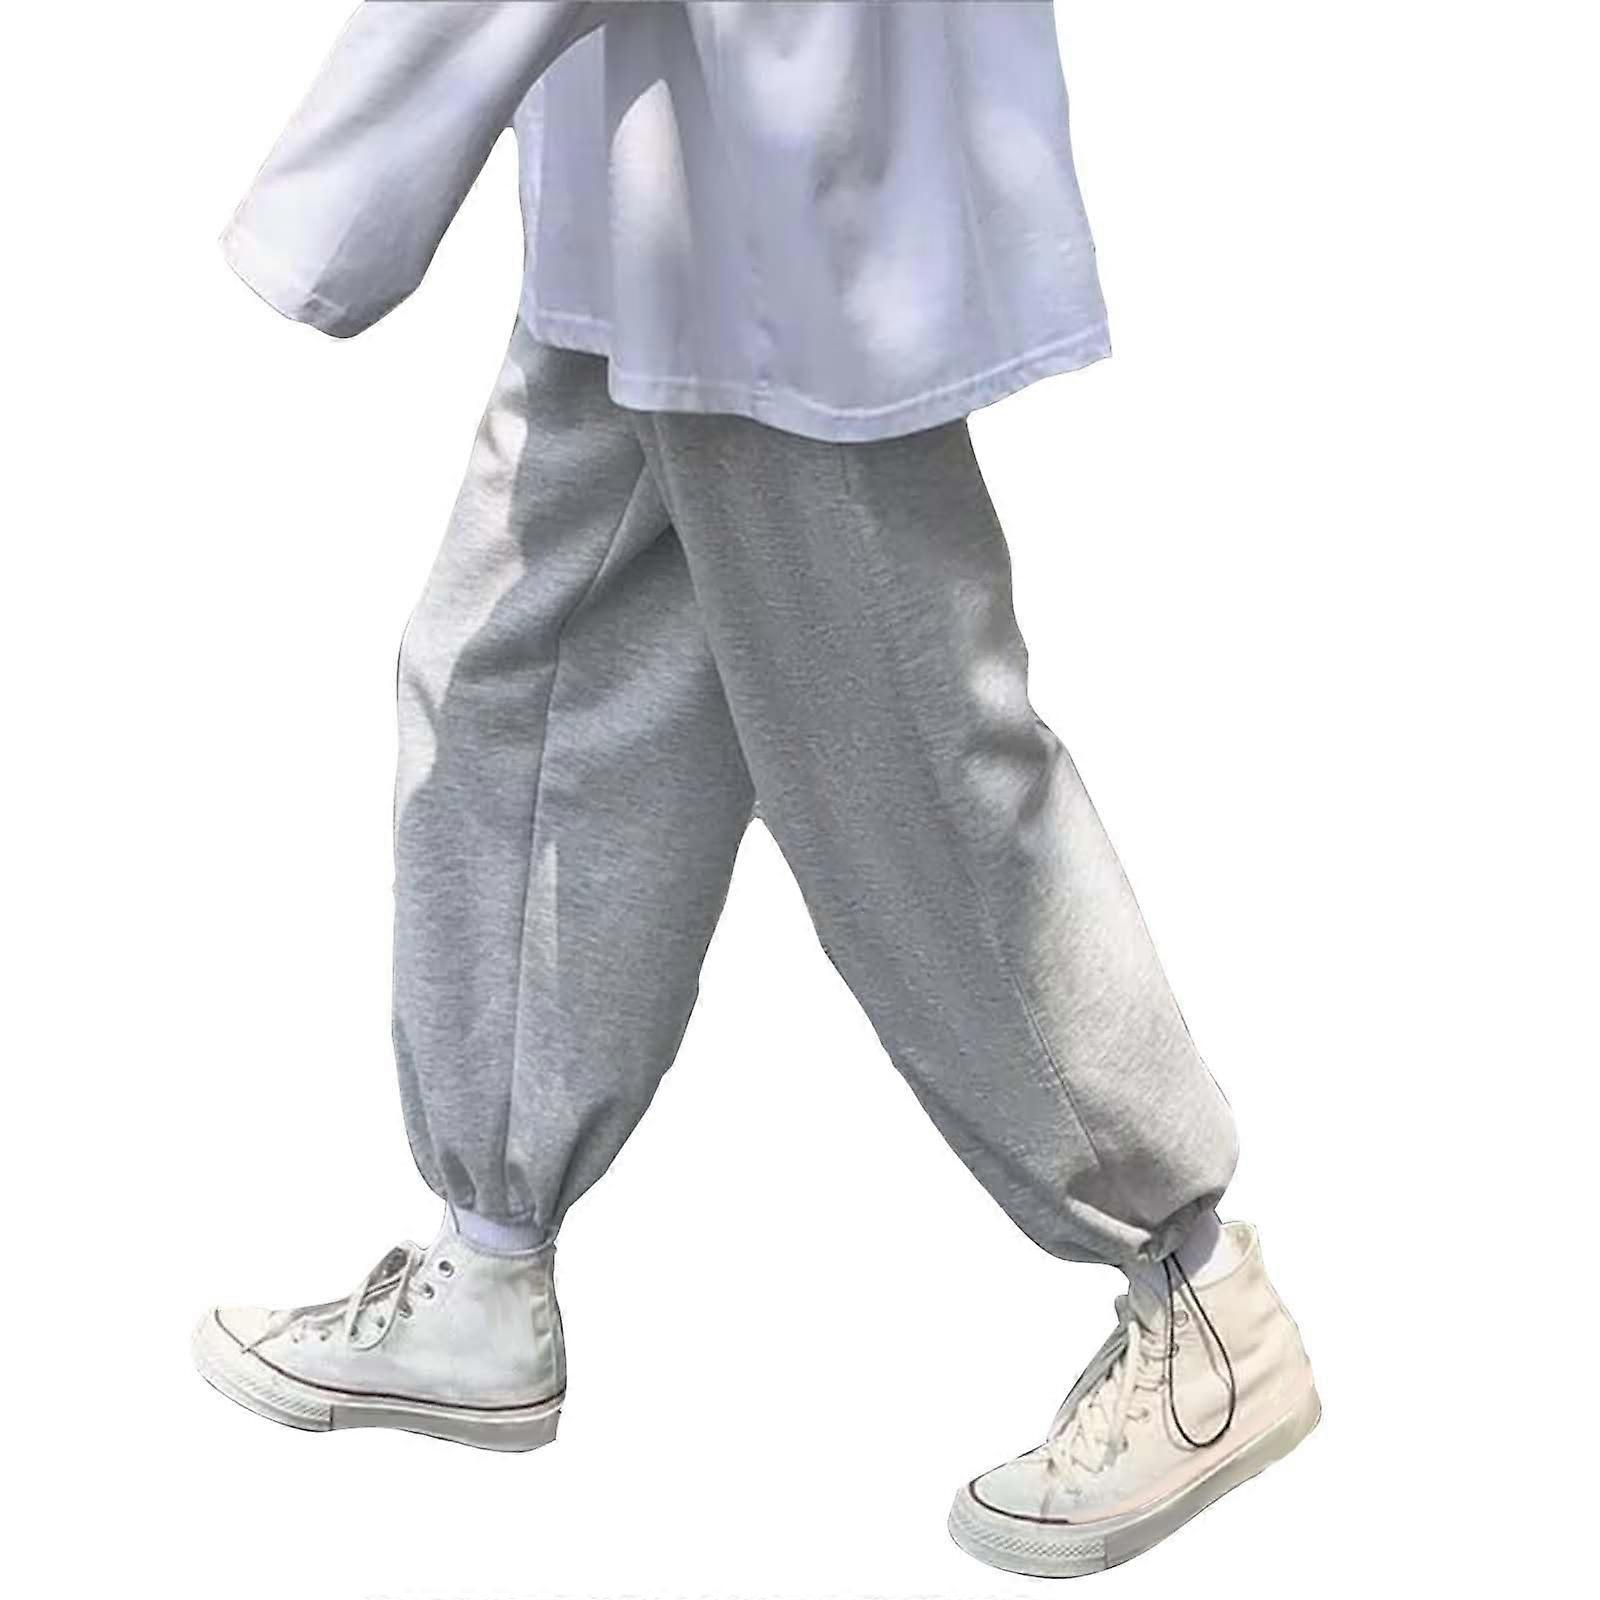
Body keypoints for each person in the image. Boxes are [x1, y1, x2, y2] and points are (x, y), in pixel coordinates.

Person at [192, 4, 1318, 1578]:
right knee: (517, 681)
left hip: (779, 192)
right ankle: (489, 1271)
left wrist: (323, 207)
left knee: (907, 773)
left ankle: (1198, 1303)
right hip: (661, 177)